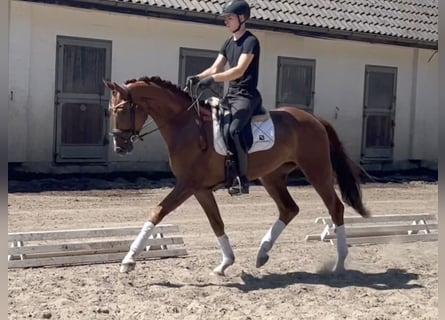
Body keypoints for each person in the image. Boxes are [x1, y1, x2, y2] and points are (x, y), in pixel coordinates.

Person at [186, 0, 262, 195]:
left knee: (234, 130)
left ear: (242, 18)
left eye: (229, 18)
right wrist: (198, 77)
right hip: (231, 95)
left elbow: (238, 71)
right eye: (226, 18)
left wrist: (213, 80)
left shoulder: (251, 42)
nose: (226, 22)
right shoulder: (228, 43)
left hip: (247, 96)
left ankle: (242, 179)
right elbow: (215, 67)